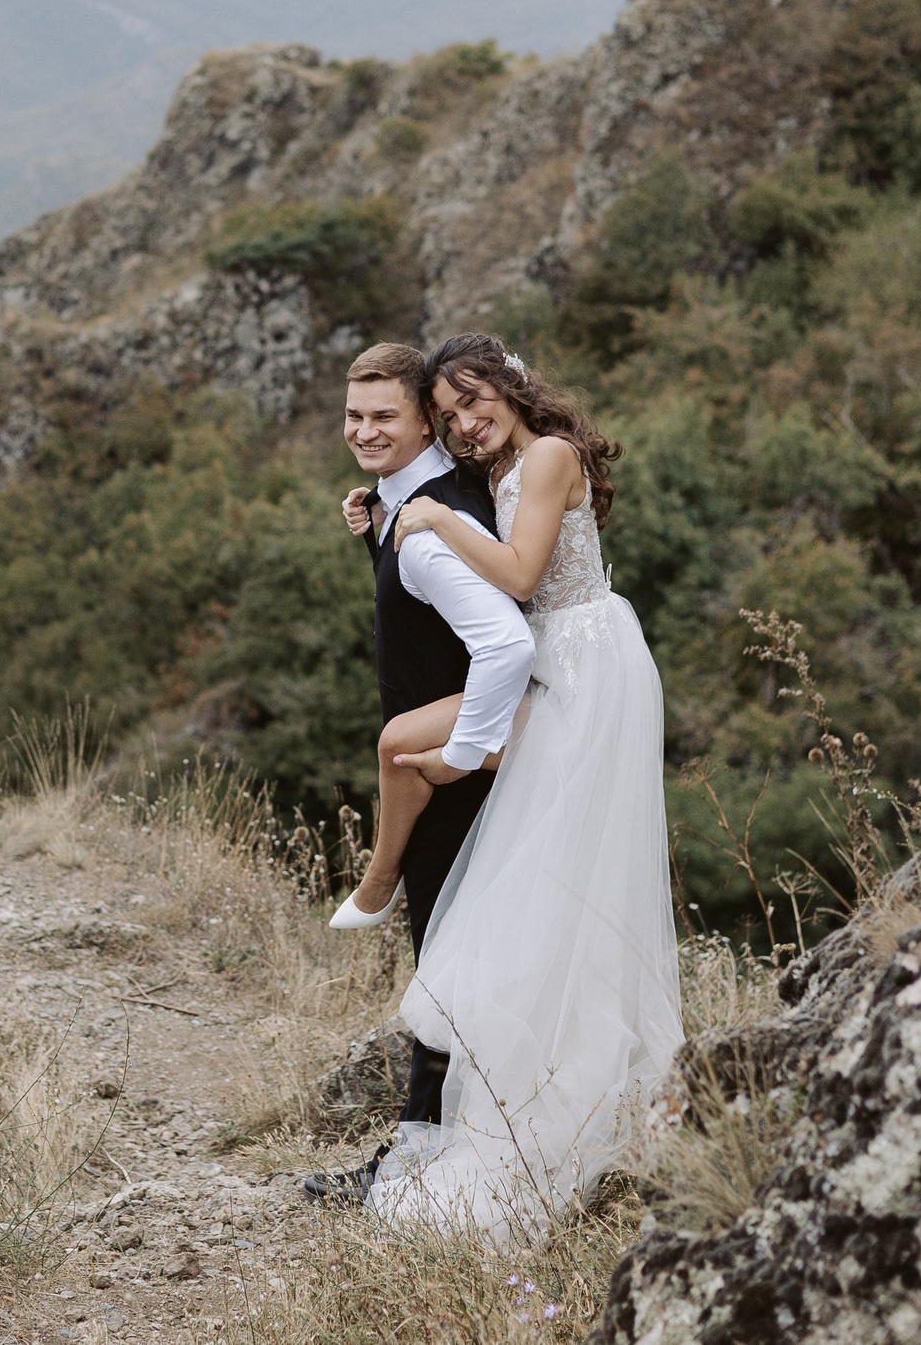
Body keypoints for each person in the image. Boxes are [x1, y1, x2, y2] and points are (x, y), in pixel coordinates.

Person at [364, 332, 682, 1237]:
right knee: (544, 863)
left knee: (555, 861)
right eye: (452, 413)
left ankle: (576, 1092)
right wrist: (382, 514)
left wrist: (434, 521)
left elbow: (519, 575)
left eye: (475, 401)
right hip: (562, 659)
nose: (466, 423)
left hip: (585, 658)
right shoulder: (508, 464)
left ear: (511, 384)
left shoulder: (546, 453)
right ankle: (534, 1078)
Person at [298, 343, 535, 1207]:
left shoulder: (434, 524)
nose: (363, 431)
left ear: (426, 422)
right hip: (462, 767)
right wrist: (377, 528)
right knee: (455, 966)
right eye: (354, 416)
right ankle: (441, 1151)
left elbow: (504, 644)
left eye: (383, 417)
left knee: (445, 971)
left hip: (456, 780)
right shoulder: (413, 505)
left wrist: (460, 753)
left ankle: (416, 1169)